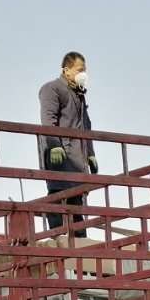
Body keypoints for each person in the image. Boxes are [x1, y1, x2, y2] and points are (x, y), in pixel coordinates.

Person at [38, 51, 97, 233]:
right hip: (60, 154)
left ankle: (78, 240)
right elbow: (48, 120)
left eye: (84, 70)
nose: (83, 74)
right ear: (66, 70)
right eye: (79, 70)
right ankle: (59, 237)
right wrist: (54, 145)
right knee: (58, 194)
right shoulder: (52, 89)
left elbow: (86, 126)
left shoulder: (79, 95)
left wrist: (90, 153)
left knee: (76, 200)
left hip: (78, 159)